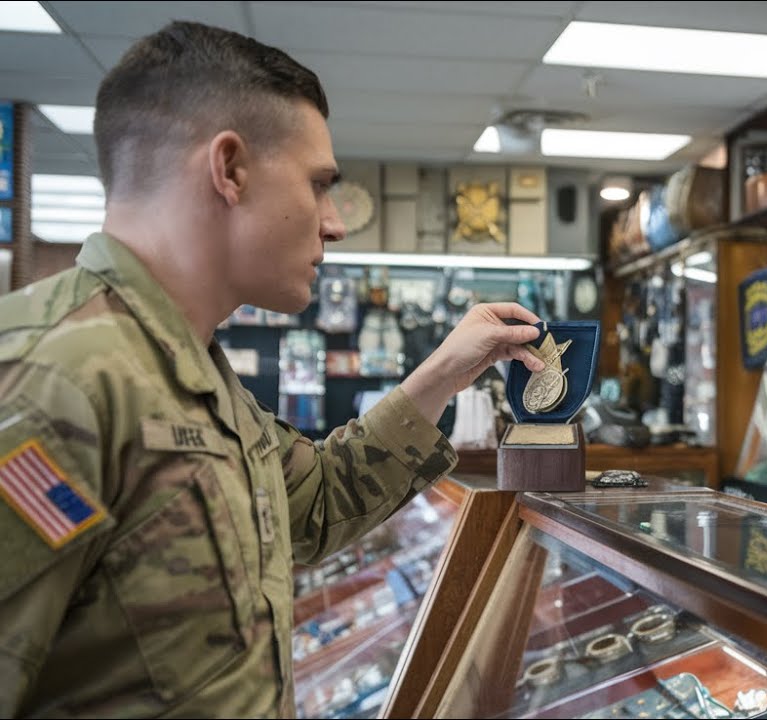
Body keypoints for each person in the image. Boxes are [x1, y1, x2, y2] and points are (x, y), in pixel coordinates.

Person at [0, 21, 546, 717]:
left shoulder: (190, 369)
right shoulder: (53, 379)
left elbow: (312, 503)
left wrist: (443, 371)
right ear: (228, 169)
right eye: (319, 184)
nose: (334, 222)